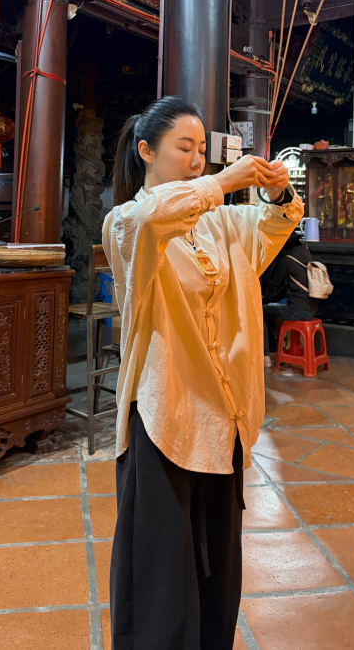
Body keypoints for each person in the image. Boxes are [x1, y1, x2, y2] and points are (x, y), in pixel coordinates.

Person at [103, 95, 303, 650]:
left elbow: (277, 222)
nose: (196, 160)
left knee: (218, 558)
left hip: (222, 414)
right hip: (165, 412)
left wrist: (277, 191)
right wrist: (221, 182)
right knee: (161, 564)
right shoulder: (126, 224)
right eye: (183, 148)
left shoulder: (221, 223)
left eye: (201, 150)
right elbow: (153, 216)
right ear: (146, 151)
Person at [261, 230, 318, 368]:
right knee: (275, 308)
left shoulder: (287, 260)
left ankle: (265, 356)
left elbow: (274, 285)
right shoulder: (306, 253)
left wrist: (263, 299)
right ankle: (278, 349)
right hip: (312, 309)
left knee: (261, 312)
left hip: (296, 310)